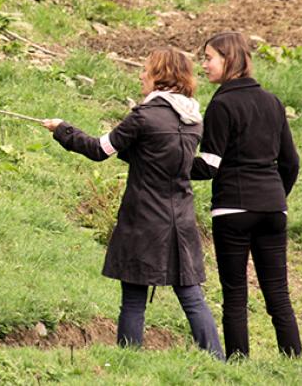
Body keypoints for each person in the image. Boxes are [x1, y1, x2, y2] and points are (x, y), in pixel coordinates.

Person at [42, 49, 224, 360]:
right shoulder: (194, 120)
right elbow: (198, 167)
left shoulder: (143, 116)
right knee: (192, 296)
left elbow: (99, 149)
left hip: (143, 220)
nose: (141, 75)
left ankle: (129, 363)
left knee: (134, 299)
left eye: (146, 70)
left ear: (160, 76)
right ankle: (217, 361)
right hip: (181, 220)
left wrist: (62, 129)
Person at [192, 31, 302, 360]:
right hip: (272, 208)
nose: (204, 65)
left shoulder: (222, 104)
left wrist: (167, 166)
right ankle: (293, 361)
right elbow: (291, 162)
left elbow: (209, 165)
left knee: (236, 294)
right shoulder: (272, 102)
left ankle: (239, 363)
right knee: (278, 293)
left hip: (233, 208)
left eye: (209, 58)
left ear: (229, 60)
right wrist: (274, 196)